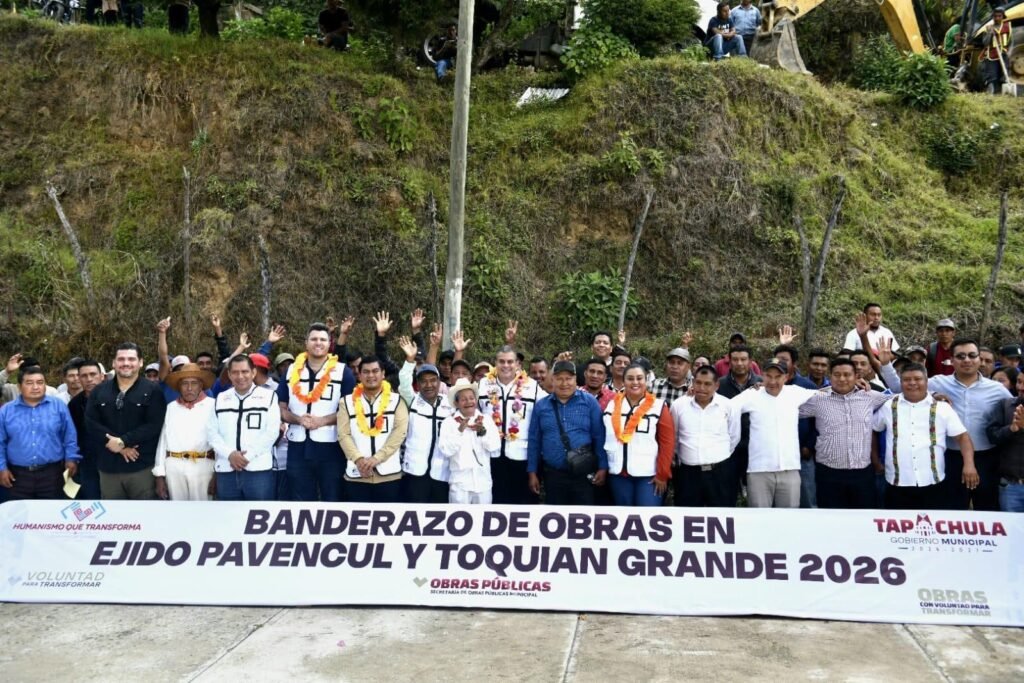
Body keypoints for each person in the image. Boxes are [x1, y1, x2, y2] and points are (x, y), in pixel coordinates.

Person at [880, 338, 1011, 511]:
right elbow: (902, 388)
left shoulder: (997, 389)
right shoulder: (938, 382)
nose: (967, 360)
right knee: (953, 508)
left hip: (986, 458)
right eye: (960, 356)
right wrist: (886, 365)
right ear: (951, 360)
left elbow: (1014, 410)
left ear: (979, 359)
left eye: (972, 355)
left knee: (987, 507)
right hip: (950, 457)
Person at [873, 363, 976, 510]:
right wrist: (875, 460)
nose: (912, 383)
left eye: (917, 379)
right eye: (907, 379)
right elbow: (873, 429)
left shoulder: (942, 408)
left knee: (933, 522)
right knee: (898, 523)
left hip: (933, 481)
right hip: (897, 482)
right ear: (901, 382)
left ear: (926, 381)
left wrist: (969, 465)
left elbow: (962, 437)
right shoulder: (888, 406)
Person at [798, 359, 892, 509]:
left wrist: (933, 396)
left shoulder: (870, 396)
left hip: (862, 473)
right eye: (837, 375)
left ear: (856, 376)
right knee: (831, 518)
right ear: (830, 376)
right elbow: (786, 406)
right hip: (828, 473)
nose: (842, 379)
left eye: (847, 375)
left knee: (863, 517)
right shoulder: (817, 399)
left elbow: (900, 398)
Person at [278, 323, 355, 502]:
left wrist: (322, 421)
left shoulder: (343, 372)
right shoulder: (291, 370)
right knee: (300, 499)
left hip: (331, 447)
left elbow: (350, 410)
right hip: (297, 446)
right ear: (306, 342)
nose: (318, 343)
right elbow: (280, 409)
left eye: (322, 339)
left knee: (332, 498)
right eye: (313, 339)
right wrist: (298, 419)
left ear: (329, 343)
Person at [85, 343, 167, 500]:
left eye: (131, 359)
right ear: (113, 363)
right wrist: (119, 446)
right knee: (112, 514)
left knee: (144, 513)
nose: (126, 363)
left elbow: (154, 425)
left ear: (140, 362)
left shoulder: (153, 390)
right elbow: (91, 423)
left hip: (141, 468)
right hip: (108, 469)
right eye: (121, 359)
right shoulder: (99, 391)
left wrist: (123, 441)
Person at [731, 360, 817, 508]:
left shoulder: (795, 392)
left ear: (786, 377)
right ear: (762, 375)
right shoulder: (752, 394)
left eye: (778, 376)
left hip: (789, 469)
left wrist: (856, 386)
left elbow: (826, 394)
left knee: (789, 517)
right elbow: (726, 407)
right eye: (768, 376)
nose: (772, 381)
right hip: (759, 470)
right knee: (759, 518)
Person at [527, 360, 606, 505]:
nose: (564, 383)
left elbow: (599, 436)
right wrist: (532, 472)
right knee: (555, 515)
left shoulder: (589, 402)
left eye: (568, 379)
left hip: (583, 473)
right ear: (552, 380)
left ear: (576, 379)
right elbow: (534, 441)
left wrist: (602, 467)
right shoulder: (541, 406)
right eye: (559, 379)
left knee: (583, 514)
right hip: (553, 474)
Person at [478, 346, 547, 504]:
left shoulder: (531, 386)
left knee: (523, 504)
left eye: (510, 361)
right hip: (491, 457)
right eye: (501, 361)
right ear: (495, 363)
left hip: (522, 457)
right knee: (495, 504)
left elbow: (548, 406)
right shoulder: (483, 385)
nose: (506, 365)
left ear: (517, 364)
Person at [0, 365, 80, 500]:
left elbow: (69, 435)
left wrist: (71, 458)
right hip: (17, 476)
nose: (35, 387)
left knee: (52, 511)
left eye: (40, 382)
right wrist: (1, 468)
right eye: (29, 383)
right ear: (19, 387)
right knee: (19, 512)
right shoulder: (6, 411)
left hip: (52, 474)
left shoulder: (58, 406)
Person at [208, 355, 281, 501]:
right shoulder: (220, 398)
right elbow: (212, 433)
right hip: (226, 469)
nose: (240, 376)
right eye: (235, 372)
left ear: (253, 372)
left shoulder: (269, 396)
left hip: (258, 470)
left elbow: (272, 432)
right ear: (229, 375)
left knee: (259, 513)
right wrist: (230, 454)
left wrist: (247, 457)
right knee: (228, 514)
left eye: (245, 371)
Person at [338, 356, 408, 502]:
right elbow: (343, 434)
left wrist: (377, 458)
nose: (371, 375)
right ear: (359, 375)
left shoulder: (397, 400)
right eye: (366, 372)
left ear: (383, 374)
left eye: (375, 371)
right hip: (356, 474)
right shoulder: (346, 402)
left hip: (389, 475)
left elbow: (399, 433)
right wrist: (358, 459)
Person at [602, 363, 673, 506]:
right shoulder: (612, 405)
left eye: (639, 378)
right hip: (618, 473)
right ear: (623, 381)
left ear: (646, 380)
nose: (635, 382)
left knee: (647, 515)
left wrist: (662, 473)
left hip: (649, 474)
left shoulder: (658, 406)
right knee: (623, 515)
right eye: (630, 378)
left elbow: (667, 443)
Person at [670, 366, 741, 507]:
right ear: (693, 382)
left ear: (716, 385)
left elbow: (734, 436)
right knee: (688, 515)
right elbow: (674, 438)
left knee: (722, 514)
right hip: (688, 474)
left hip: (720, 473)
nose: (702, 388)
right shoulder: (679, 405)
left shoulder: (727, 406)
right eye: (698, 382)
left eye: (707, 384)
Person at [397, 336, 453, 503]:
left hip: (442, 473)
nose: (429, 385)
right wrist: (410, 360)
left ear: (439, 382)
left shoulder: (450, 404)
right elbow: (404, 382)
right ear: (418, 384)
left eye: (433, 380)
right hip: (414, 472)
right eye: (424, 381)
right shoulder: (412, 400)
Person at [153, 363, 217, 501]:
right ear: (179, 387)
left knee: (204, 510)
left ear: (201, 385)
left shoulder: (213, 405)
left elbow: (220, 441)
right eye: (184, 383)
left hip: (204, 466)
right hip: (174, 467)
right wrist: (159, 474)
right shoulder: (171, 407)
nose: (189, 388)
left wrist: (217, 475)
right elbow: (163, 441)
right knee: (177, 511)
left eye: (194, 383)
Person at [438, 378, 500, 504]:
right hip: (460, 485)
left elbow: (495, 447)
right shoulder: (448, 423)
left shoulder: (486, 420)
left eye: (471, 398)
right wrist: (459, 431)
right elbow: (446, 451)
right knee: (458, 516)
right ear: (456, 403)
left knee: (484, 516)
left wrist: (482, 432)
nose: (468, 402)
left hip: (483, 484)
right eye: (463, 399)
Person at [716, 344, 761, 500]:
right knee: (727, 493)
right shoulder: (719, 385)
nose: (739, 363)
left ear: (750, 361)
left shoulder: (762, 384)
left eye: (743, 359)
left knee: (756, 495)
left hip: (755, 448)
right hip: (728, 448)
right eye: (735, 359)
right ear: (729, 361)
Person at [986, 370, 1024, 511]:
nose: (1021, 387)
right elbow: (992, 436)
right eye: (1019, 382)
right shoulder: (1005, 405)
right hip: (1011, 486)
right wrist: (1012, 429)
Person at [67, 360, 104, 500]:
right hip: (87, 463)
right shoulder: (74, 404)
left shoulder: (116, 397)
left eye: (93, 374)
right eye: (84, 376)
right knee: (91, 501)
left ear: (101, 376)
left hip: (114, 461)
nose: (89, 379)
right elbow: (71, 435)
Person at [981, 6, 1012, 95]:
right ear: (992, 17)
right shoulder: (988, 28)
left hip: (1004, 54)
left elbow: (1010, 41)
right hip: (992, 55)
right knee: (992, 76)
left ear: (1003, 16)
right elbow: (985, 43)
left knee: (1005, 75)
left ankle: (1005, 92)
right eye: (995, 16)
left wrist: (1009, 52)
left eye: (999, 16)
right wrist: (989, 34)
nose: (997, 18)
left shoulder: (1007, 26)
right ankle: (992, 92)